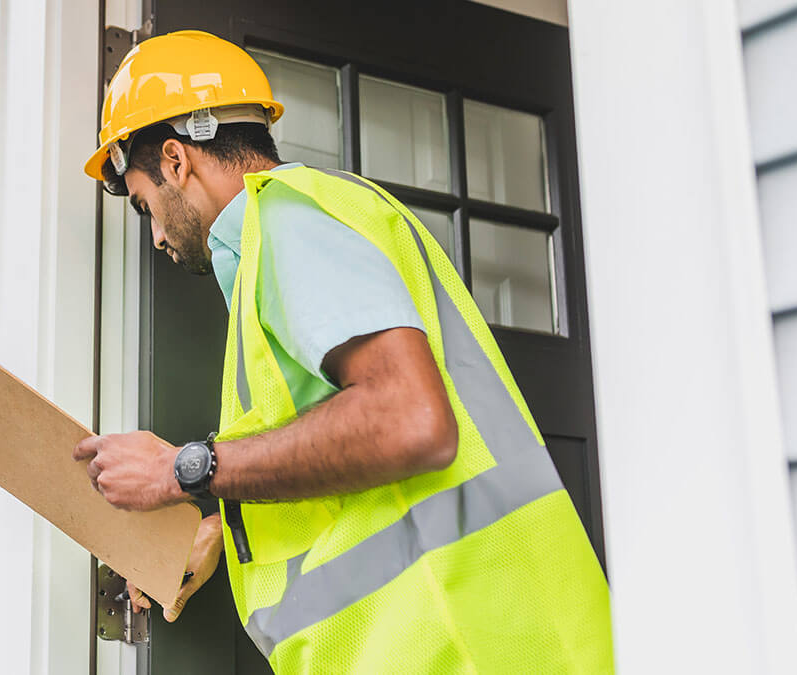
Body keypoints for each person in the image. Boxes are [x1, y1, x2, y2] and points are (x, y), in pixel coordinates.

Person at [72, 29, 613, 674]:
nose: (157, 235)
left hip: (463, 647)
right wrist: (227, 528)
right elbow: (349, 456)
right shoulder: (305, 228)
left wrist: (182, 470)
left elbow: (409, 421)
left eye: (143, 205)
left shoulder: (288, 222)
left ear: (175, 160)